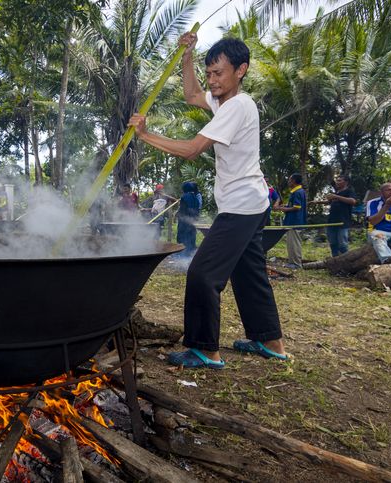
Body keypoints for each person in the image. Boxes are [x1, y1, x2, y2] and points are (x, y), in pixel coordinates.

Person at [128, 35, 288, 369]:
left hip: (241, 206)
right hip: (251, 202)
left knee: (202, 273)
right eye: (209, 73)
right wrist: (187, 55)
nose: (212, 80)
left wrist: (145, 136)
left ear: (241, 70)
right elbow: (190, 94)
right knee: (250, 274)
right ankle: (270, 341)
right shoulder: (222, 102)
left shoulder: (237, 106)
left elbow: (191, 149)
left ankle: (204, 349)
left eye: (219, 73)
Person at [310, 174, 357, 257]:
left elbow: (353, 201)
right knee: (333, 243)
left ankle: (346, 262)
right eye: (337, 180)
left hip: (342, 222)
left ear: (346, 182)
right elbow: (329, 202)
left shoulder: (349, 191)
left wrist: (336, 196)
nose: (337, 182)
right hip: (331, 221)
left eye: (339, 180)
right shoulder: (337, 192)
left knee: (342, 245)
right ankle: (335, 261)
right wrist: (317, 202)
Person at [275, 173, 306, 269]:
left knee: (294, 243)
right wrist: (284, 207)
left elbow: (297, 207)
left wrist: (282, 209)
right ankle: (292, 262)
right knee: (291, 243)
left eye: (289, 180)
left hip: (295, 222)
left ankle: (296, 263)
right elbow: (293, 206)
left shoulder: (297, 192)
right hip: (292, 221)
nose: (288, 182)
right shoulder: (297, 192)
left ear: (294, 181)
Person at [176, 181, 202, 257]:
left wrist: (178, 214)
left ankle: (182, 254)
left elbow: (183, 211)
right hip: (192, 222)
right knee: (191, 237)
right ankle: (189, 254)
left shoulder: (184, 197)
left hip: (184, 222)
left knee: (182, 237)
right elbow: (196, 211)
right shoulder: (196, 198)